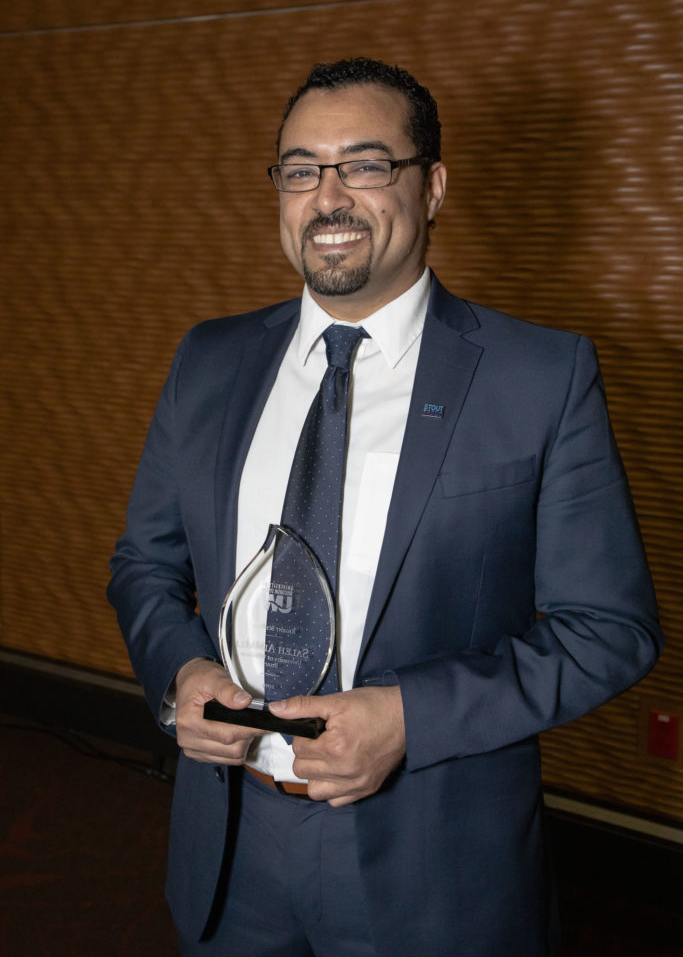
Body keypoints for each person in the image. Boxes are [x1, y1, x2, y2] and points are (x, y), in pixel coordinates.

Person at [108, 57, 662, 957]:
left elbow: (610, 628)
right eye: (300, 169)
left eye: (365, 165)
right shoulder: (208, 360)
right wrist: (178, 676)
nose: (328, 198)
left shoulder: (540, 377)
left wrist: (411, 717)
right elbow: (143, 565)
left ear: (432, 185)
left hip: (433, 869)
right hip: (230, 846)